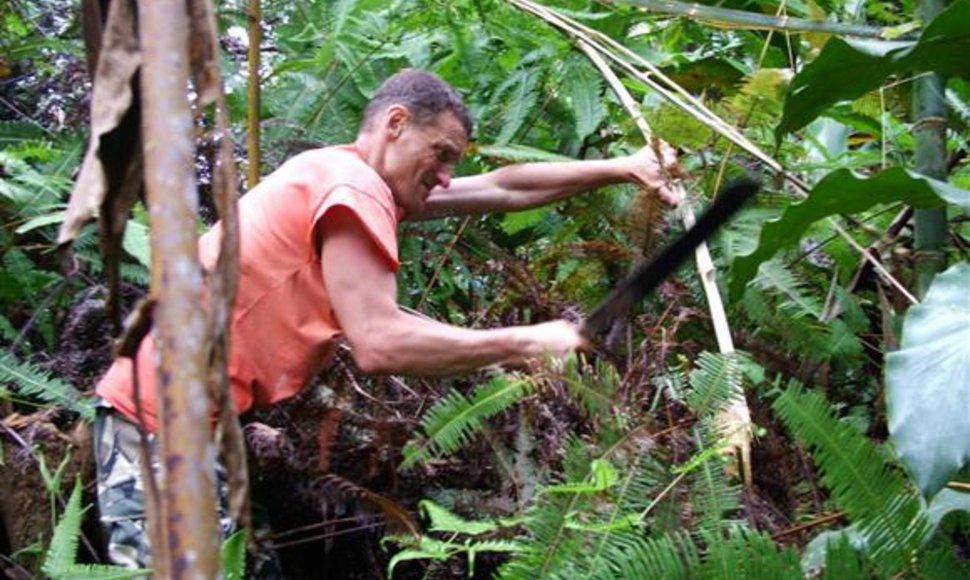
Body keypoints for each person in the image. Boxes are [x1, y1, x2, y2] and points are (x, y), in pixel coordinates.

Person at [92, 68, 679, 568]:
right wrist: (529, 339)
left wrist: (624, 167)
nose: (446, 175)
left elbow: (503, 187)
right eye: (441, 154)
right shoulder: (354, 188)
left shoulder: (337, 172)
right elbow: (379, 343)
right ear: (395, 124)